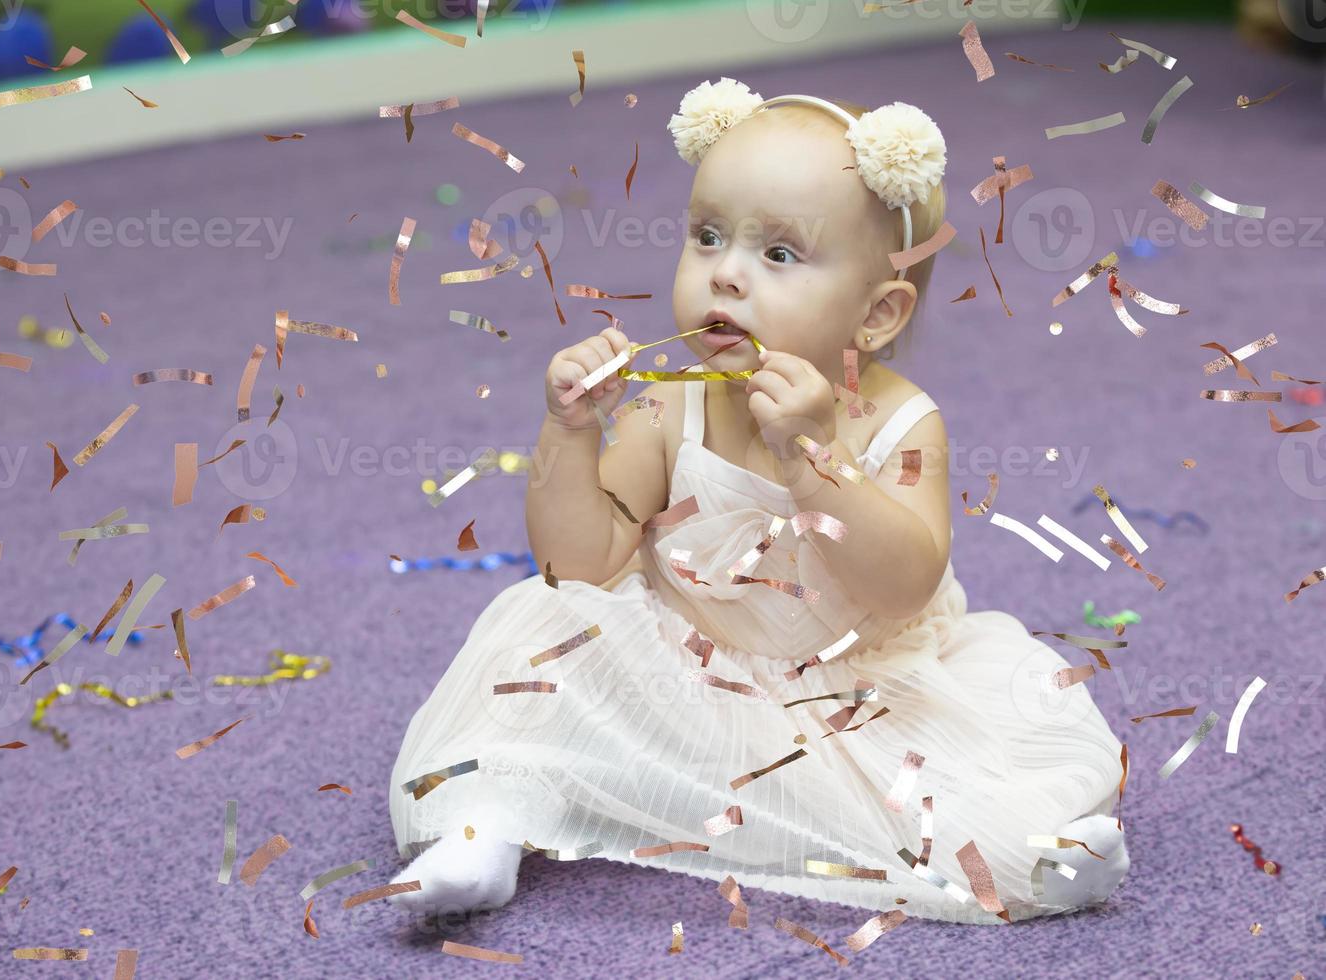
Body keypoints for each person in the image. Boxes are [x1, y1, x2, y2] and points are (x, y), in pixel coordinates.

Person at [387, 78, 1128, 925]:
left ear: (878, 314)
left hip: (848, 703)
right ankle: (486, 826)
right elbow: (578, 564)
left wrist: (816, 458)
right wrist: (571, 434)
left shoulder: (900, 422)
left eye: (779, 255)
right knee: (538, 629)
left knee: (942, 800)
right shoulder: (671, 407)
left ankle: (1035, 852)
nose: (726, 275)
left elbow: (903, 584)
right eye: (707, 237)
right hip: (684, 683)